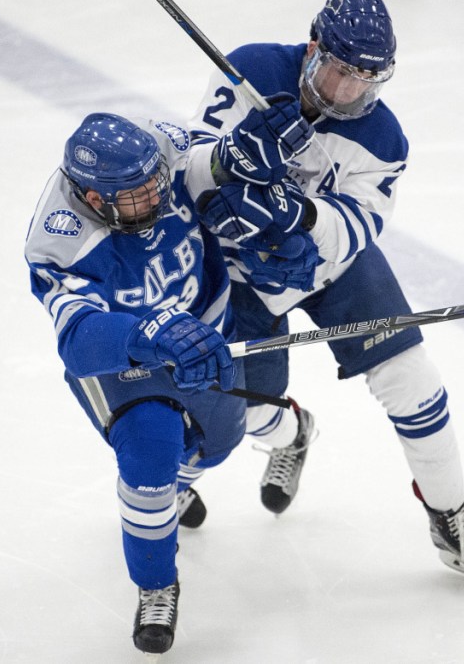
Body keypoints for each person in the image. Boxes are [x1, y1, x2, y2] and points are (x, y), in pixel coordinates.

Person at [187, 0, 464, 589]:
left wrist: (302, 219)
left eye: (366, 78)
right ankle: (294, 433)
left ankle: (454, 521)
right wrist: (236, 158)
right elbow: (193, 168)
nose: (349, 92)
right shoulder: (253, 70)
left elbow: (361, 223)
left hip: (328, 264)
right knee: (252, 413)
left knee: (412, 377)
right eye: (340, 70)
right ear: (314, 47)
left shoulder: (384, 138)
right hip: (239, 269)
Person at [23, 112, 316, 655]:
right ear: (93, 197)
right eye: (135, 196)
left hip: (207, 330)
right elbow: (79, 339)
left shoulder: (160, 149)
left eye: (152, 185)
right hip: (125, 359)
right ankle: (156, 585)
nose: (153, 199)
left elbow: (215, 170)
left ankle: (292, 431)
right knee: (148, 464)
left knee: (223, 440)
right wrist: (151, 329)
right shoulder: (59, 238)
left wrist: (242, 161)